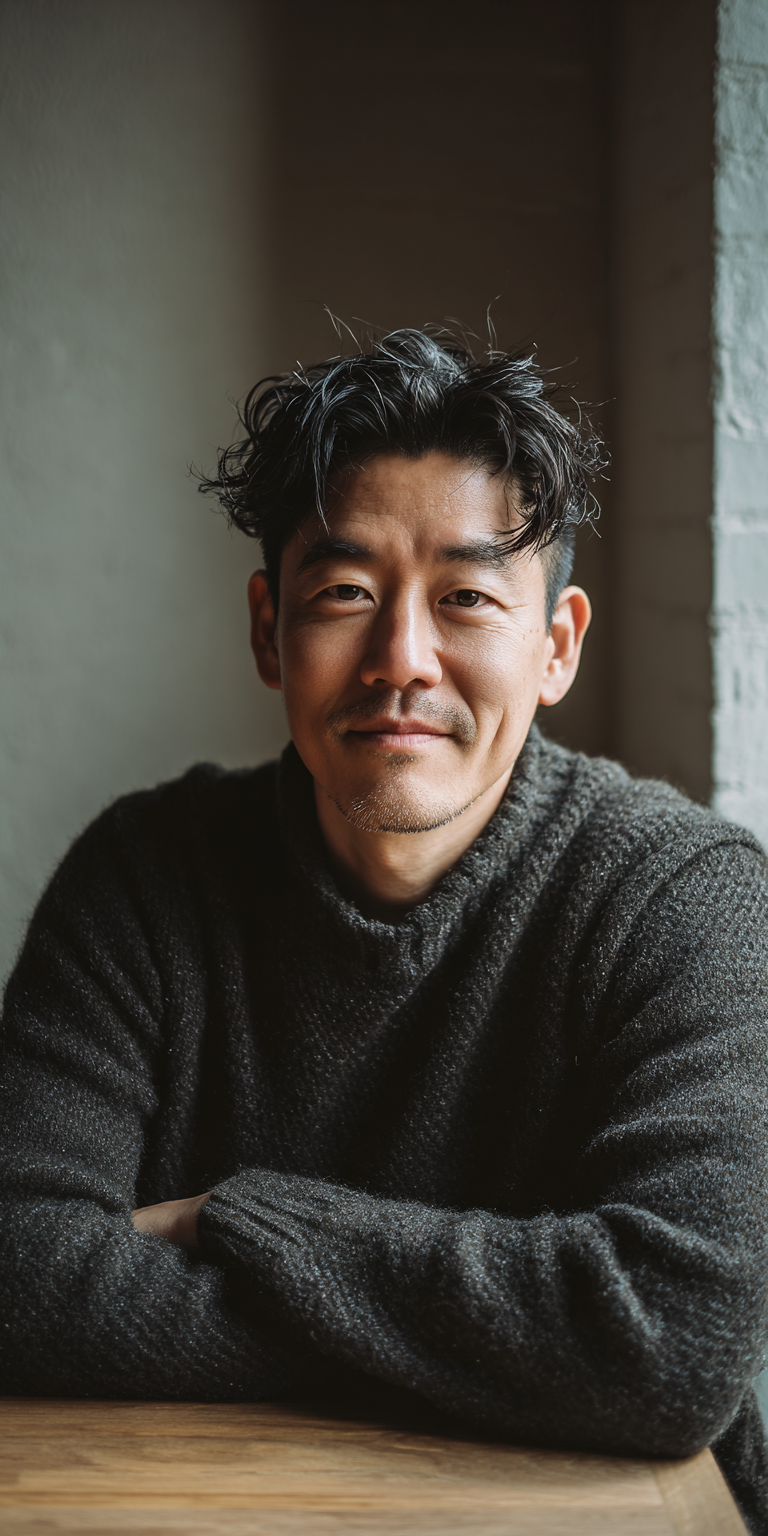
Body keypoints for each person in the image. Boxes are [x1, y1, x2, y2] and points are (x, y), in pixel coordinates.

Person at [1, 329, 767, 1533]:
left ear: (556, 644)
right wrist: (509, 1350)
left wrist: (236, 1221)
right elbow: (17, 1273)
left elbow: (671, 1342)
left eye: (466, 598)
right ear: (270, 630)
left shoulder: (682, 897)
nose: (402, 660)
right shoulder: (143, 880)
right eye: (346, 593)